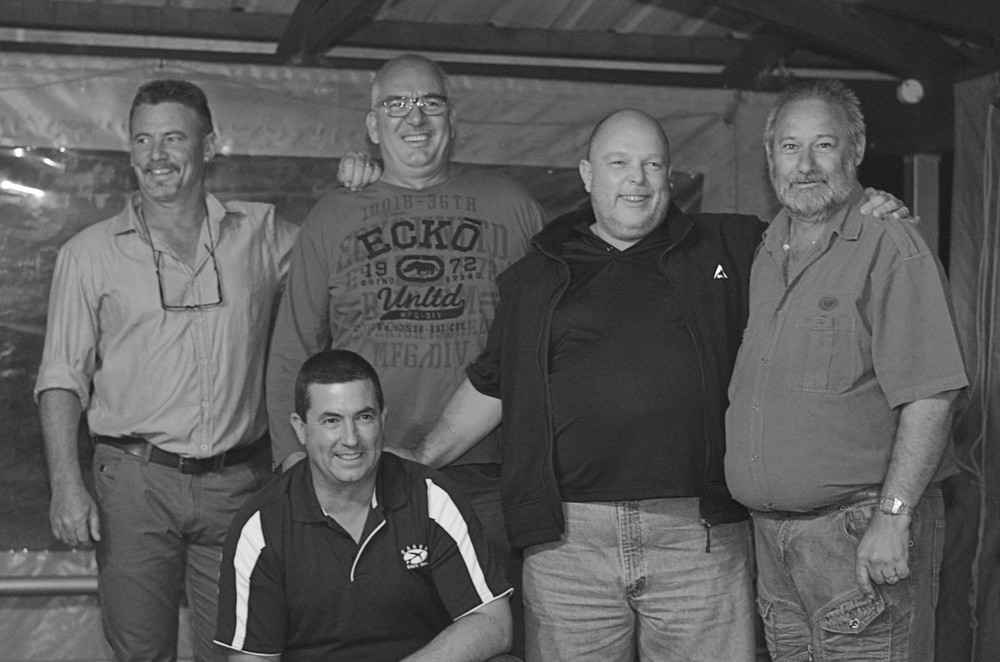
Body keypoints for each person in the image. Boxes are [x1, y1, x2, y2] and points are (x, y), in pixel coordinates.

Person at [265, 53, 544, 654]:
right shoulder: (334, 215)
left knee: (491, 640)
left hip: (485, 474)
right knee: (370, 639)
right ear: (372, 125)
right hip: (363, 475)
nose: (414, 119)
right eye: (396, 104)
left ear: (452, 118)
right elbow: (294, 347)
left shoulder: (511, 206)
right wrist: (292, 460)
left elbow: (542, 345)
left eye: (430, 103)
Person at [35, 79, 296, 661]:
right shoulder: (88, 254)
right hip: (134, 482)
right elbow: (60, 377)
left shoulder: (262, 233)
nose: (156, 154)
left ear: (209, 146)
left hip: (235, 482)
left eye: (174, 138)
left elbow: (342, 255)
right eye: (143, 140)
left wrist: (365, 179)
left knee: (237, 649)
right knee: (141, 652)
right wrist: (65, 484)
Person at [725, 80, 968, 661]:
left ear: (854, 151)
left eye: (824, 145)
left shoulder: (890, 244)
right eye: (790, 147)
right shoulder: (765, 250)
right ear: (769, 157)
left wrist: (893, 517)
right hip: (775, 544)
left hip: (860, 537)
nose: (806, 165)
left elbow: (932, 396)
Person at [215, 349, 513, 661]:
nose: (351, 438)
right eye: (331, 420)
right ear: (301, 429)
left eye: (364, 417)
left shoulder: (430, 497)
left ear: (383, 420)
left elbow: (493, 621)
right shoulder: (261, 524)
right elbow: (251, 659)